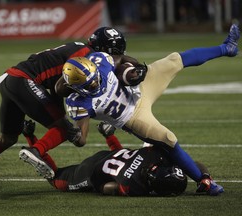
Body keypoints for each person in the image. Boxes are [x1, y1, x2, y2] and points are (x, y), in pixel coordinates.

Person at [51, 24, 239, 196]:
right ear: (76, 88)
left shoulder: (100, 60)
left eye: (95, 78)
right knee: (168, 139)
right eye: (89, 85)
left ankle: (226, 48)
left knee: (174, 60)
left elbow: (121, 59)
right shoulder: (78, 103)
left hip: (140, 89)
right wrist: (74, 135)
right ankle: (205, 182)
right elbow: (82, 139)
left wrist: (135, 69)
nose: (95, 83)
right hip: (132, 116)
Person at [0, 27, 134, 195]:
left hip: (12, 80)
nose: (116, 57)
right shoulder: (87, 56)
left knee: (7, 138)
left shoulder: (81, 50)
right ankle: (36, 151)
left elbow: (56, 88)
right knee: (65, 129)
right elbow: (58, 87)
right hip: (26, 81)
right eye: (116, 52)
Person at [24, 120, 189, 196]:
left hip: (108, 155)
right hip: (89, 173)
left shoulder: (154, 155)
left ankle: (109, 134)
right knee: (56, 180)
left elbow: (196, 165)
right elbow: (107, 187)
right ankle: (30, 137)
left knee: (125, 159)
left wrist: (203, 176)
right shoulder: (134, 187)